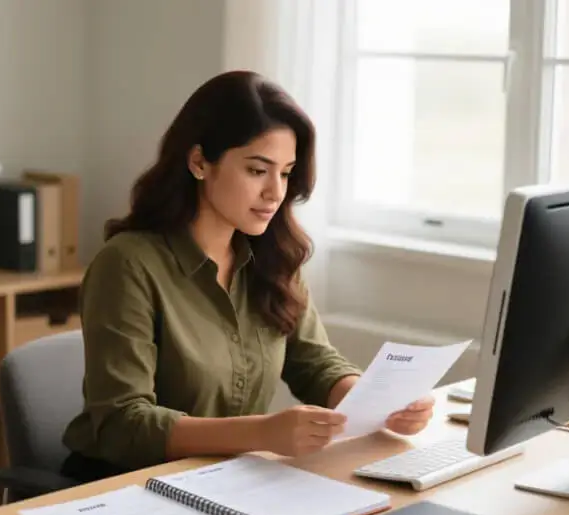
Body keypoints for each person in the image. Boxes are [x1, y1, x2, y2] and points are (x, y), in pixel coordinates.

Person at [60, 70, 436, 483]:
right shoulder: (128, 265)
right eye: (258, 170)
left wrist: (380, 402)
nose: (276, 192)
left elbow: (314, 363)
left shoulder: (274, 257)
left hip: (230, 478)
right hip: (128, 487)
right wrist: (262, 432)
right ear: (200, 162)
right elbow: (123, 424)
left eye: (286, 172)